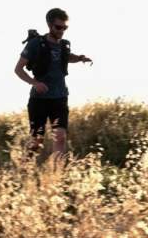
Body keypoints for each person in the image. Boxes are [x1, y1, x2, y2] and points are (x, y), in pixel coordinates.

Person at [14, 8, 92, 158]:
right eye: (58, 27)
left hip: (60, 98)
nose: (62, 31)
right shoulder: (35, 44)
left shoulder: (63, 45)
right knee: (37, 141)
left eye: (65, 27)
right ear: (49, 25)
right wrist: (34, 83)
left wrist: (80, 58)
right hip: (39, 100)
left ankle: (58, 176)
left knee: (60, 137)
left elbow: (67, 57)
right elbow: (18, 69)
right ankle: (25, 169)